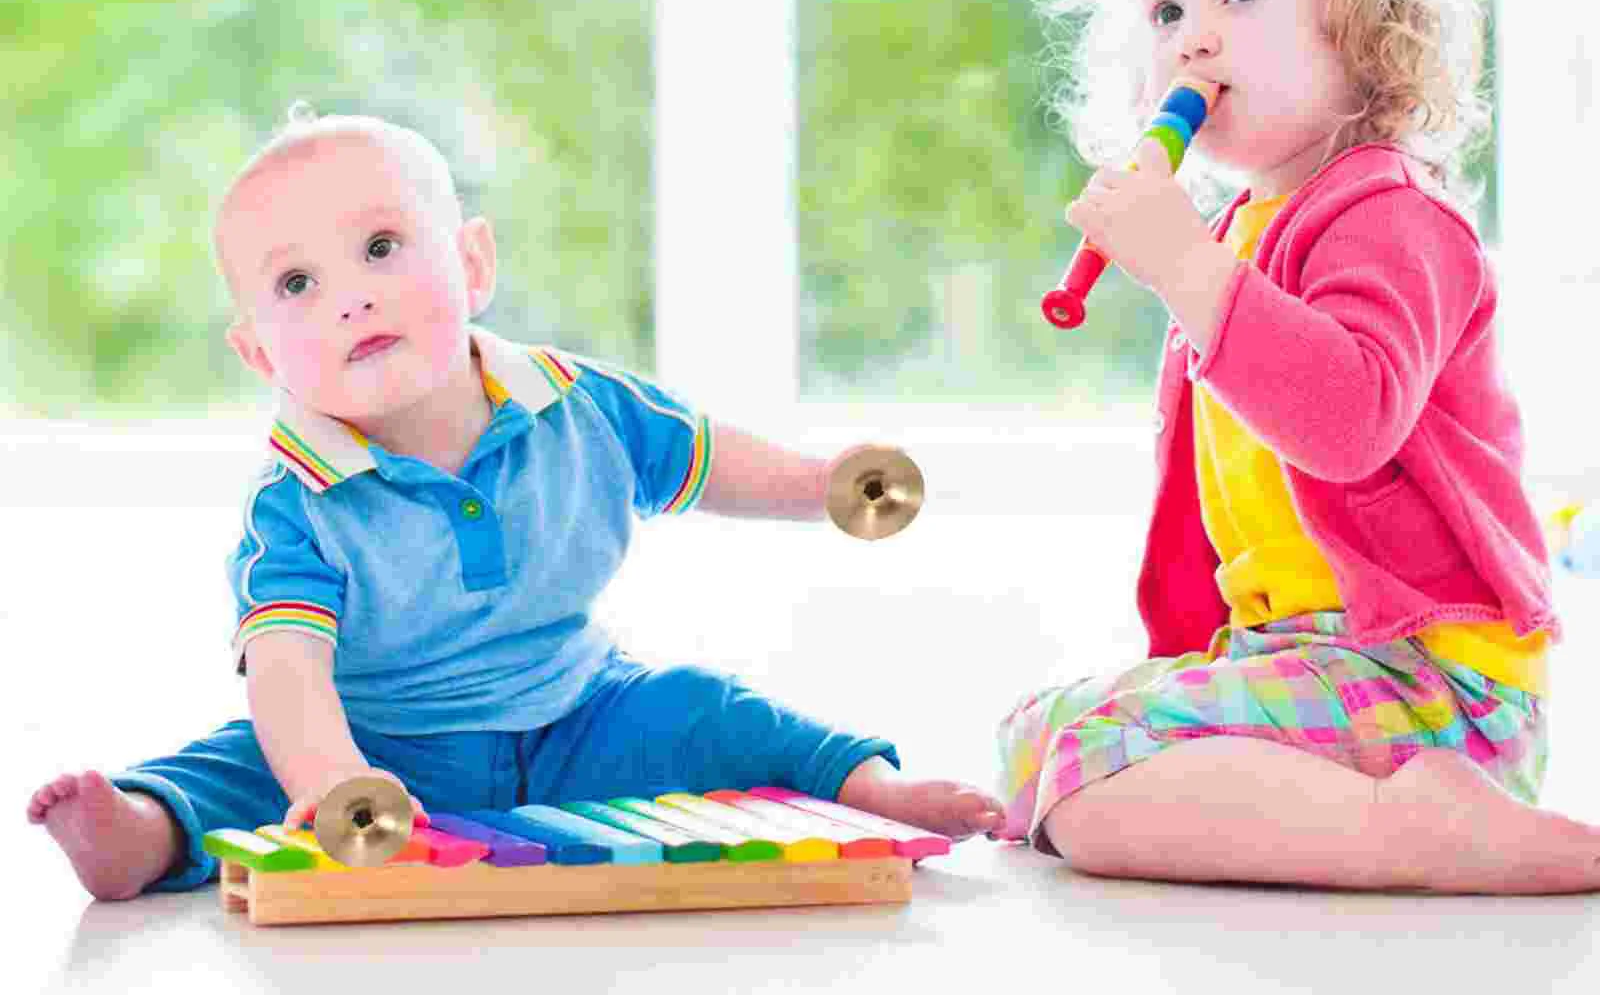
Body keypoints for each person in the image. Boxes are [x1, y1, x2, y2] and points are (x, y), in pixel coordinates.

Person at [29, 104, 1003, 900]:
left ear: (474, 265)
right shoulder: (298, 504)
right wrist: (331, 783)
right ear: (257, 352)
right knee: (230, 775)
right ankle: (137, 834)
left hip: (579, 714)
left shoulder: (581, 407)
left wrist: (825, 487)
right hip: (378, 747)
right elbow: (287, 675)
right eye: (297, 282)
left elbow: (710, 460)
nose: (350, 298)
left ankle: (879, 789)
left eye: (380, 246)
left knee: (715, 713)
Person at [996, 0, 1600, 893]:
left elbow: (1344, 422)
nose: (1193, 41)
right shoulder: (1240, 228)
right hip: (1307, 658)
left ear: (1360, 20)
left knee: (1091, 773)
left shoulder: (1392, 213)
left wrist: (1183, 265)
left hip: (1432, 682)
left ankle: (1417, 829)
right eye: (1166, 12)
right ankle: (1331, 812)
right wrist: (1199, 259)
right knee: (1038, 735)